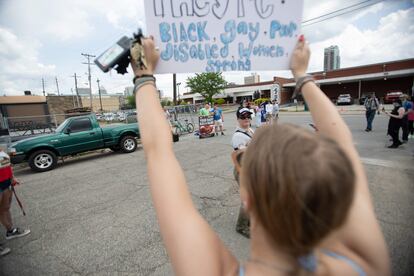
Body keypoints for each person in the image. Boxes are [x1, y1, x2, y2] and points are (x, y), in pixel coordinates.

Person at [130, 35, 390, 275]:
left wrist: (143, 73)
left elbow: (158, 153)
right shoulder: (363, 264)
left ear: (246, 197)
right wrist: (301, 75)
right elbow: (342, 142)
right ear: (341, 197)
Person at [0, 149, 31, 257]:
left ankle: (10, 231)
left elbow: (5, 164)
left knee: (5, 208)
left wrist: (12, 177)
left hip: (5, 183)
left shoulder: (1, 149)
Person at [231, 108, 255, 237]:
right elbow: (237, 154)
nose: (246, 119)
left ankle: (249, 219)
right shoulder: (238, 135)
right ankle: (241, 226)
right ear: (238, 119)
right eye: (243, 117)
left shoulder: (249, 130)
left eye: (248, 116)